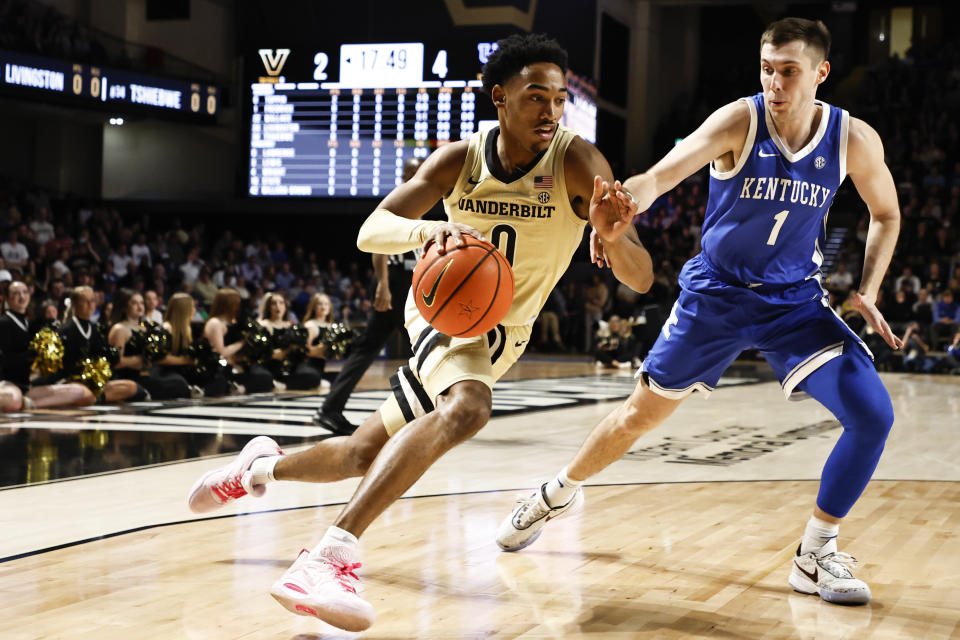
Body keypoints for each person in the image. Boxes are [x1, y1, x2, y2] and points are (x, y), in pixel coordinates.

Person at [186, 33, 651, 631]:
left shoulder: (580, 164)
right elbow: (370, 229)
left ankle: (255, 470)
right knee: (469, 408)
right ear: (499, 98)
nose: (552, 111)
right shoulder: (461, 160)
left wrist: (613, 237)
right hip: (445, 314)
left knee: (362, 453)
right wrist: (427, 234)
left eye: (560, 99)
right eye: (537, 97)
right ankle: (330, 557)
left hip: (506, 336)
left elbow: (640, 278)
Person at [495, 18, 902, 608]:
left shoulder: (852, 139)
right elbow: (661, 174)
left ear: (821, 73)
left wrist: (867, 287)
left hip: (793, 303)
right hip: (716, 297)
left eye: (788, 70)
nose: (774, 82)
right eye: (766, 68)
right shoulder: (741, 119)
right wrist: (622, 204)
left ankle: (816, 551)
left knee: (873, 415)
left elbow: (886, 214)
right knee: (637, 417)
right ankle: (557, 491)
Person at [313, 157, 425, 435]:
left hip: (407, 282)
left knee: (376, 347)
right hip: (395, 281)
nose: (415, 175)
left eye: (419, 171)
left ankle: (330, 409)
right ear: (404, 173)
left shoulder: (419, 200)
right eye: (411, 171)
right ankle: (425, 413)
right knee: (424, 347)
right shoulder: (399, 201)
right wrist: (383, 285)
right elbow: (379, 247)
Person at [0, 280, 95, 409]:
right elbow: (6, 361)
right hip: (7, 384)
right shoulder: (4, 323)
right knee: (12, 399)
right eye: (16, 293)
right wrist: (33, 354)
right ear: (6, 298)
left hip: (26, 387)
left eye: (25, 292)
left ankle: (29, 404)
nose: (22, 296)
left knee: (80, 392)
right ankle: (22, 403)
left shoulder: (29, 324)